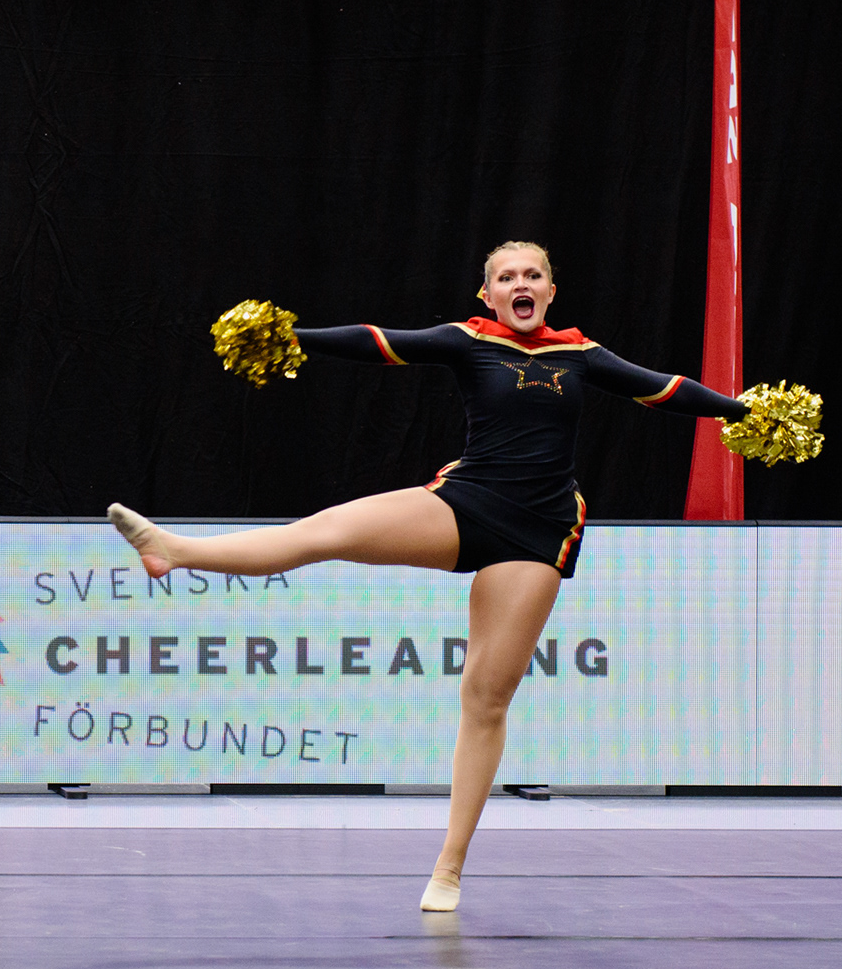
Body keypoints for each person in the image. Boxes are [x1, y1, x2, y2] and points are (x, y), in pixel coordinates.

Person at [106, 242, 748, 912]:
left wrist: (741, 412)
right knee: (325, 532)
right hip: (465, 503)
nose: (521, 284)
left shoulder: (582, 354)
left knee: (486, 698)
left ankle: (449, 868)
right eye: (507, 277)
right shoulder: (468, 340)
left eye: (533, 275)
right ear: (488, 295)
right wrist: (295, 337)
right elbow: (380, 341)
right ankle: (174, 550)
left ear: (550, 291)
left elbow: (665, 388)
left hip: (538, 530)